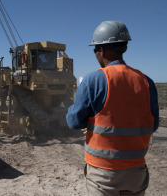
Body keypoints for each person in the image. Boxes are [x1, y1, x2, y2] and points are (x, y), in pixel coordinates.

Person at [66, 21, 159, 196]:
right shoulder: (147, 82)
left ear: (102, 50)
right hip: (136, 172)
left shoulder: (93, 80)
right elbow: (152, 125)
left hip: (103, 174)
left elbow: (74, 122)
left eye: (95, 50)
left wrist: (73, 107)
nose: (95, 54)